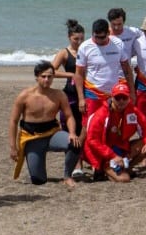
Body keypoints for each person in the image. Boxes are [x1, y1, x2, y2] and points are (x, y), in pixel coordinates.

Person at [10, 60, 80, 186]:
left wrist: (72, 133)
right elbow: (13, 121)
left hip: (52, 133)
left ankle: (67, 176)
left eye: (49, 76)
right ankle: (36, 168)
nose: (46, 79)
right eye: (43, 76)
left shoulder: (59, 95)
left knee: (74, 144)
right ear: (37, 77)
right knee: (39, 180)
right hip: (32, 137)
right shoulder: (25, 96)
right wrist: (13, 147)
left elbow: (69, 116)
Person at [82, 82, 146, 183]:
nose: (121, 101)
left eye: (124, 98)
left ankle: (127, 166)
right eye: (118, 98)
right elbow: (92, 140)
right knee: (124, 179)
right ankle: (105, 168)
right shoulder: (101, 114)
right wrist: (112, 156)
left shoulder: (132, 111)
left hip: (122, 148)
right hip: (104, 152)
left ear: (129, 98)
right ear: (112, 97)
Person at [76, 19, 133, 118]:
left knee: (113, 124)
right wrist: (81, 99)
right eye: (96, 37)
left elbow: (127, 70)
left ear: (108, 33)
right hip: (93, 93)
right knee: (90, 124)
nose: (99, 40)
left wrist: (132, 92)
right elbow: (79, 74)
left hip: (114, 94)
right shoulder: (84, 47)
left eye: (102, 37)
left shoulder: (118, 44)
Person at [51, 19, 86, 150]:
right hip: (70, 94)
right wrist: (71, 75)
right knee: (69, 126)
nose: (79, 42)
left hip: (87, 92)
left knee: (86, 127)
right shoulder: (64, 53)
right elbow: (51, 71)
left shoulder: (87, 50)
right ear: (69, 37)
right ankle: (72, 154)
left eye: (82, 39)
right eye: (76, 39)